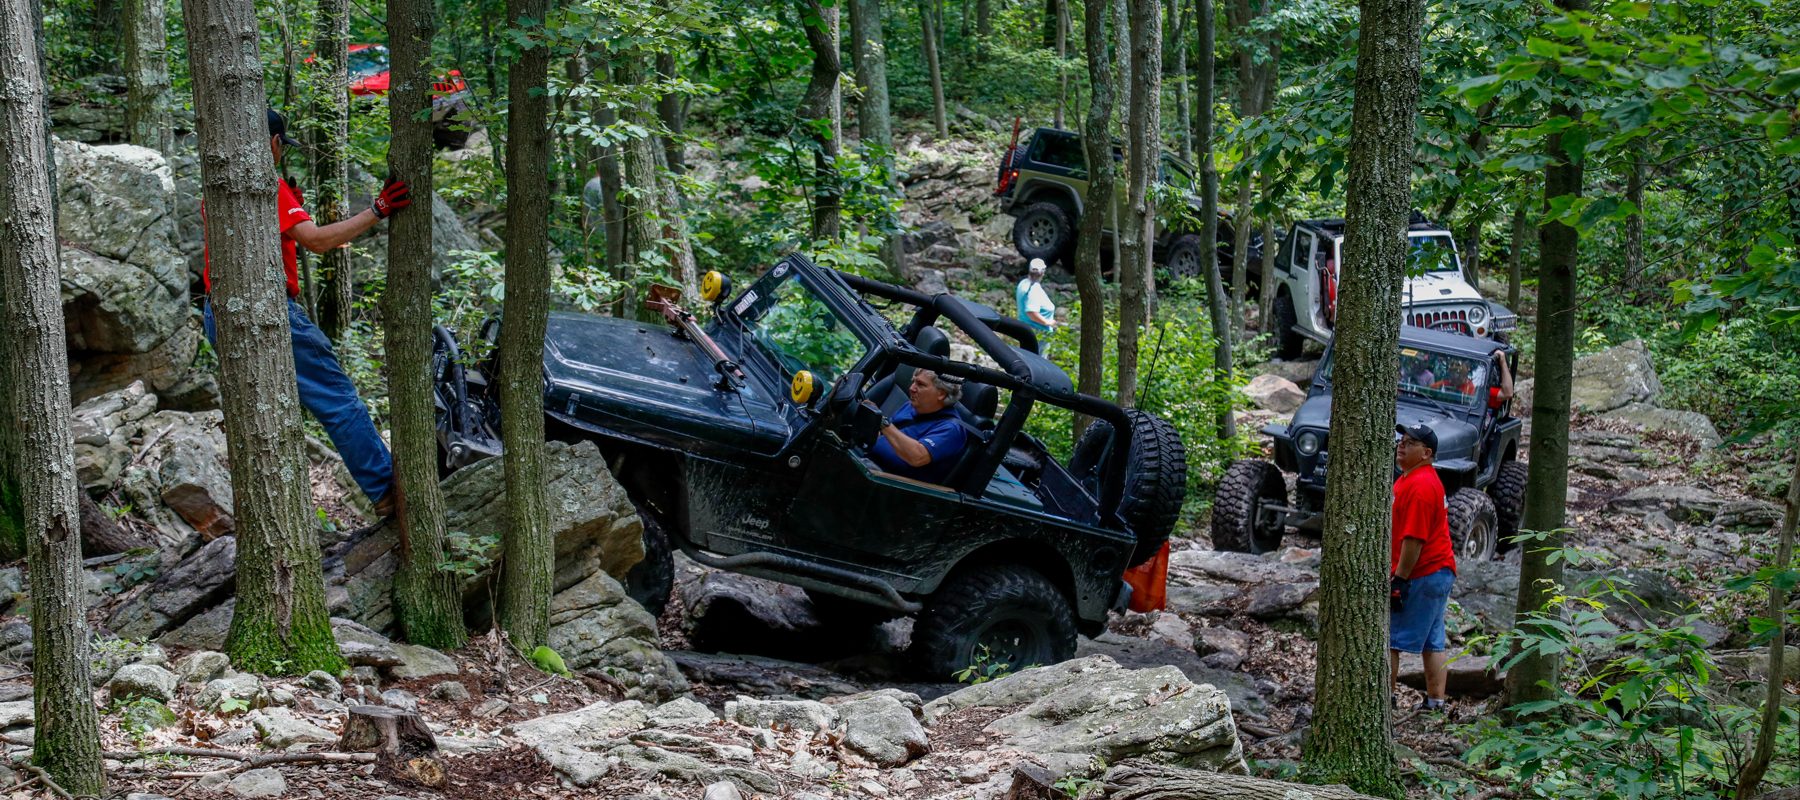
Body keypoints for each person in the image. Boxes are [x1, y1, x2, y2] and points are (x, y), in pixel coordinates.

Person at [200, 108, 413, 517]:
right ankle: (386, 490)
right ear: (274, 143)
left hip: (218, 313)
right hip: (270, 312)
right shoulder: (265, 184)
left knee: (263, 417)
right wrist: (378, 210)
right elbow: (316, 241)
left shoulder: (216, 188)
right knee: (338, 398)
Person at [1389, 422, 1457, 711]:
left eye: (1410, 443)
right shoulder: (1412, 477)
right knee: (1433, 640)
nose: (1401, 446)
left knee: (1389, 638)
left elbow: (1414, 539)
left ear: (1427, 452)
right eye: (1401, 440)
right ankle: (1435, 702)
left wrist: (1400, 580)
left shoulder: (1420, 485)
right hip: (1438, 570)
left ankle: (1384, 699)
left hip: (1424, 572)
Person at [862, 369, 969, 484]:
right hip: (866, 461)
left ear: (941, 394)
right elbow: (886, 435)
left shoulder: (952, 429)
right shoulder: (912, 406)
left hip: (889, 483)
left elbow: (917, 457)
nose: (911, 388)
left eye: (920, 384)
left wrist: (881, 421)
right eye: (913, 382)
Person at [1014, 258, 1058, 333]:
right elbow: (1031, 312)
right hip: (1037, 333)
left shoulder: (1023, 282)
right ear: (1043, 272)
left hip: (1024, 328)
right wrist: (1047, 322)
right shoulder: (1034, 290)